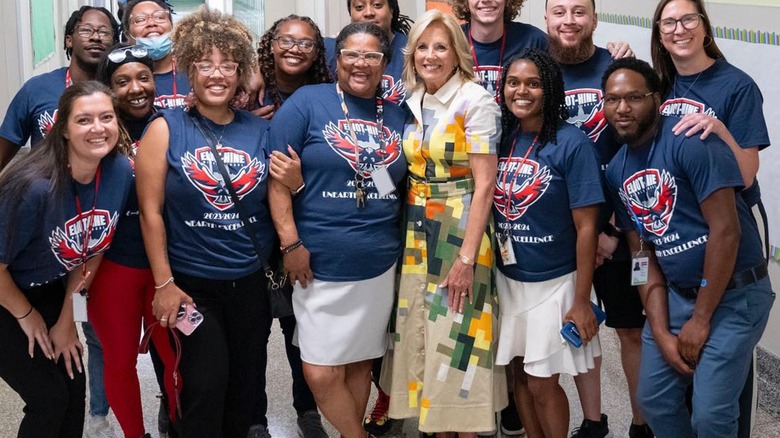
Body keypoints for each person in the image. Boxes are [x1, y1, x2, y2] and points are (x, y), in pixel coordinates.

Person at [602, 57, 774, 438]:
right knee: (654, 399)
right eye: (612, 100)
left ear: (657, 99)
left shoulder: (693, 143)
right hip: (676, 297)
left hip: (733, 294)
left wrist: (700, 318)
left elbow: (726, 231)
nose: (623, 109)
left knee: (711, 415)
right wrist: (660, 329)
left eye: (634, 97)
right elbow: (642, 254)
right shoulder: (616, 169)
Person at [135, 7, 273, 437]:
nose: (217, 74)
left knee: (243, 391)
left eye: (227, 65)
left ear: (240, 73)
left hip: (249, 282)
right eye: (205, 65)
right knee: (203, 386)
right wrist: (163, 284)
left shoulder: (258, 130)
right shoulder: (165, 128)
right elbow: (151, 212)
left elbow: (278, 199)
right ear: (187, 70)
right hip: (192, 286)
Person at [267, 21, 408, 438]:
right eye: (351, 54)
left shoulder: (397, 113)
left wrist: (371, 176)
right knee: (320, 370)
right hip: (318, 260)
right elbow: (277, 181)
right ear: (336, 58)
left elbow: (391, 181)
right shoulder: (308, 103)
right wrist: (290, 243)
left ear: (385, 63)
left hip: (379, 260)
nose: (360, 64)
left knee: (360, 359)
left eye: (371, 56)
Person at [0, 7, 121, 437]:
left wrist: (67, 313)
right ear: (62, 129)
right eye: (84, 120)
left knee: (73, 394)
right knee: (48, 399)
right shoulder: (32, 187)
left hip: (54, 288)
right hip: (7, 294)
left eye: (107, 118)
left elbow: (97, 241)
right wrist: (28, 315)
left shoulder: (119, 172)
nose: (98, 128)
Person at [381, 10, 503, 437]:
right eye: (422, 47)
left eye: (440, 46)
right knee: (422, 334)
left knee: (458, 343)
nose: (430, 55)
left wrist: (467, 257)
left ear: (457, 52)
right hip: (417, 230)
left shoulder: (475, 101)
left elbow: (485, 186)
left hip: (459, 230)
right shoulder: (412, 99)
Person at [650, 3, 770, 433]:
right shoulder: (660, 87)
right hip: (678, 243)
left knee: (719, 400)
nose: (679, 29)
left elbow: (747, 173)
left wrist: (719, 129)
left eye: (688, 20)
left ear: (704, 26)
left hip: (729, 237)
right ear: (659, 34)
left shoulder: (735, 86)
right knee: (675, 389)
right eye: (669, 23)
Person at [544, 1, 651, 437]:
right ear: (546, 20)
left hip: (617, 227)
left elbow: (642, 150)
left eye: (579, 11)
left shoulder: (618, 66)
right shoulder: (538, 70)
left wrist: (609, 229)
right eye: (559, 12)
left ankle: (642, 424)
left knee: (630, 330)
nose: (569, 21)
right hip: (562, 229)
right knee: (576, 327)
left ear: (594, 18)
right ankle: (593, 421)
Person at [491, 49, 603, 438]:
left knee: (543, 382)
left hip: (555, 283)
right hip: (509, 278)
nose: (521, 91)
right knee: (520, 376)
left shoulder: (572, 143)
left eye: (533, 83)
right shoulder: (502, 137)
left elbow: (587, 228)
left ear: (550, 89)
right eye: (513, 82)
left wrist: (581, 300)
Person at [90, 44, 178, 438]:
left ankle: (180, 426)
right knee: (120, 359)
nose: (136, 88)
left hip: (170, 265)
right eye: (122, 81)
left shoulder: (175, 124)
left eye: (144, 77)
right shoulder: (96, 134)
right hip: (115, 268)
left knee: (176, 357)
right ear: (108, 88)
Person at [251, 14, 331, 438]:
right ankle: (253, 419)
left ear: (319, 52)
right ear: (271, 44)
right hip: (252, 231)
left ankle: (307, 412)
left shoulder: (327, 98)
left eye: (306, 43)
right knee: (252, 331)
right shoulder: (247, 94)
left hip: (304, 227)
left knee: (298, 329)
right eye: (286, 40)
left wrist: (298, 185)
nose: (295, 49)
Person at [324, 0, 413, 106]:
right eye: (359, 7)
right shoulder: (331, 49)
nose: (368, 13)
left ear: (392, 10)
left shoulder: (412, 50)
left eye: (377, 5)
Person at [122, 0, 190, 110]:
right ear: (127, 36)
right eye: (140, 20)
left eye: (159, 17)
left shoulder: (193, 70)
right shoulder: (127, 84)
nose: (151, 23)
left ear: (172, 28)